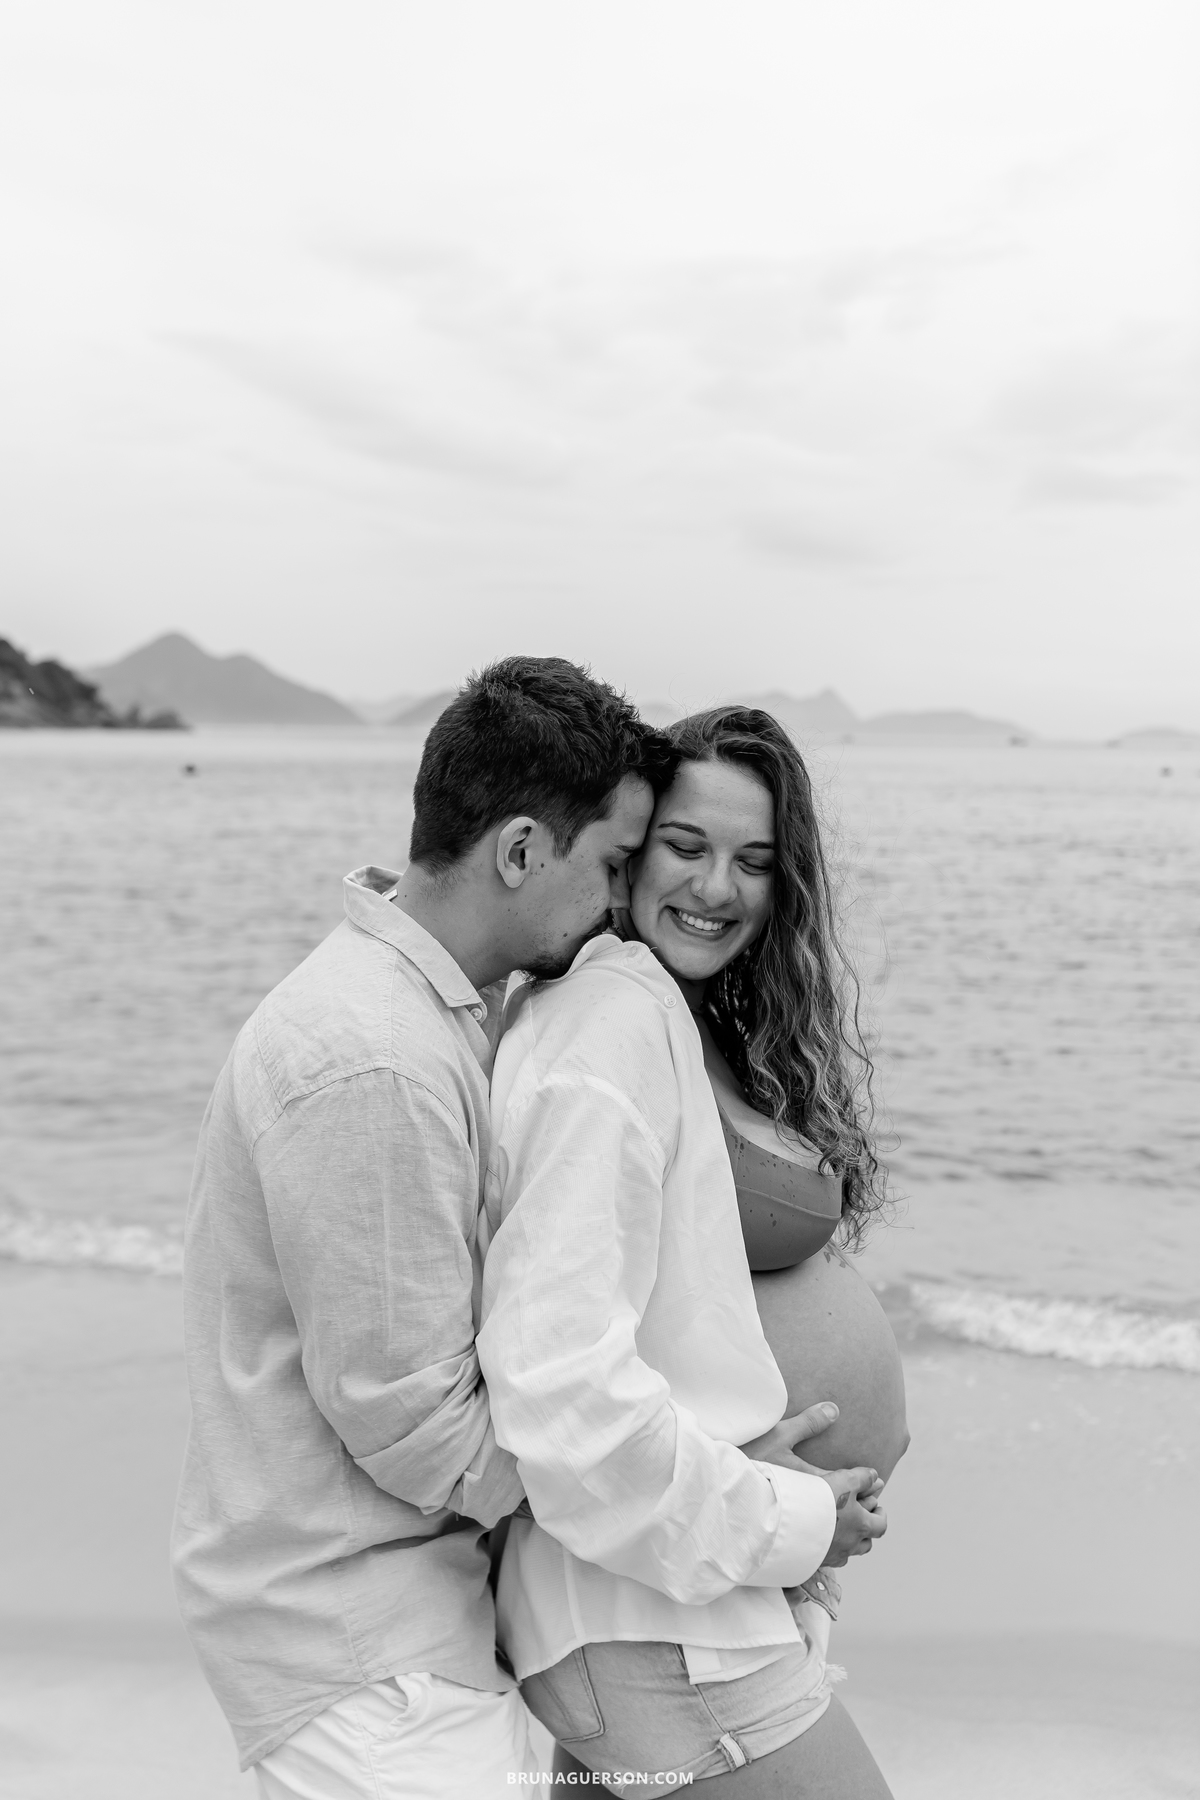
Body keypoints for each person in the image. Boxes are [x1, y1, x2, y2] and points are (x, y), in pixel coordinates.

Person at [170, 656, 676, 1800]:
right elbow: (419, 1430)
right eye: (609, 865)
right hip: (365, 1662)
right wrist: (693, 1488)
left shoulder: (434, 1015)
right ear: (517, 851)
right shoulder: (373, 1058)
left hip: (409, 1638)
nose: (615, 906)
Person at [477, 705, 901, 1794]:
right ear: (626, 846)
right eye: (686, 846)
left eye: (755, 861)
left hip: (679, 1600)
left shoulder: (680, 1016)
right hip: (658, 1623)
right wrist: (787, 1517)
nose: (718, 888)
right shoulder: (608, 1022)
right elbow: (560, 1377)